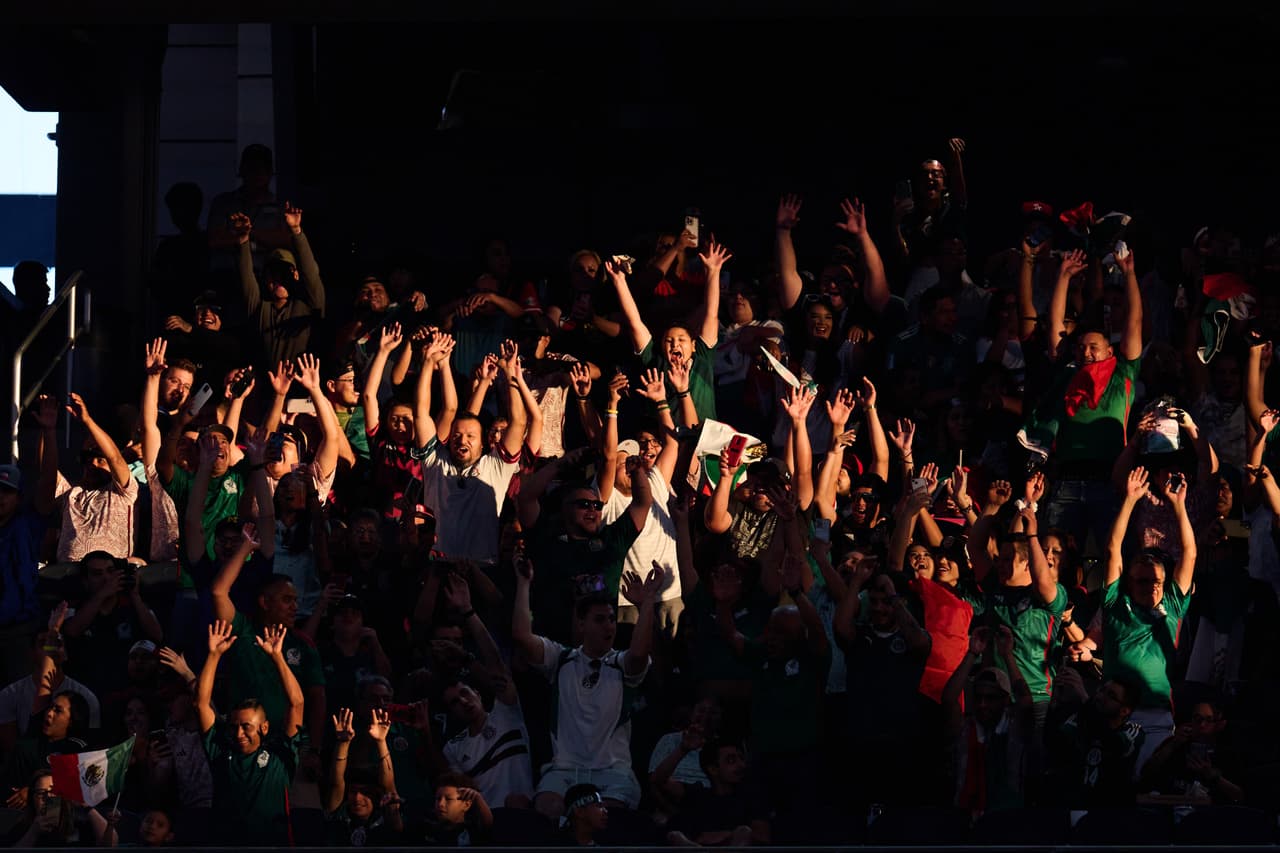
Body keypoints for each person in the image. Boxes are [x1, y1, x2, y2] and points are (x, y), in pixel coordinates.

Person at [512, 557, 663, 820]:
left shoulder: (621, 665)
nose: (609, 626)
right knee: (547, 811)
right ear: (581, 624)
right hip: (565, 771)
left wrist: (648, 600)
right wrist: (523, 583)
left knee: (608, 820)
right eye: (600, 620)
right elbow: (522, 637)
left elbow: (639, 653)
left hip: (613, 772)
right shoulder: (561, 659)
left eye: (611, 619)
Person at [1101, 467, 1196, 768]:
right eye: (1143, 580)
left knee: (1152, 779)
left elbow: (1190, 553)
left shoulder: (1173, 604)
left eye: (1157, 582)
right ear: (1129, 583)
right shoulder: (1116, 603)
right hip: (1114, 714)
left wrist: (1178, 505)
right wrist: (1130, 500)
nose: (1152, 587)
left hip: (1157, 714)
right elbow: (1113, 548)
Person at [196, 620, 305, 844]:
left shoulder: (281, 756)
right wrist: (214, 656)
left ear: (264, 727)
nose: (239, 734)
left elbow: (297, 704)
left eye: (246, 727)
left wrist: (277, 657)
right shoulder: (219, 750)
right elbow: (201, 704)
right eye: (234, 726)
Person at [438, 576, 534, 809]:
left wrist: (468, 612)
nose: (463, 701)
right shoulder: (453, 748)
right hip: (486, 822)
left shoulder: (507, 713)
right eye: (454, 702)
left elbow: (496, 664)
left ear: (478, 694)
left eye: (465, 693)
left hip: (524, 817)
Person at [230, 202, 327, 369]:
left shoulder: (309, 306)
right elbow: (246, 276)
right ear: (265, 279)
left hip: (302, 385)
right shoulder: (260, 309)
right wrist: (243, 239)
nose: (278, 278)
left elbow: (310, 273)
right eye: (273, 273)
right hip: (268, 384)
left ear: (295, 275)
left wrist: (296, 231)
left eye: (284, 273)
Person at [0, 422, 57, 686]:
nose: (1, 497)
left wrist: (50, 433)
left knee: (19, 695)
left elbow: (48, 482)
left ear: (19, 497)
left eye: (7, 492)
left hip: (19, 631)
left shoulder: (27, 525)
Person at [662, 738, 771, 847]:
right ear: (713, 769)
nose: (741, 765)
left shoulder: (752, 798)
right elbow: (660, 781)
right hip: (696, 848)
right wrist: (683, 749)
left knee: (743, 832)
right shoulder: (697, 795)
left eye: (741, 759)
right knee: (675, 836)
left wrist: (722, 836)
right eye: (731, 761)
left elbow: (762, 838)